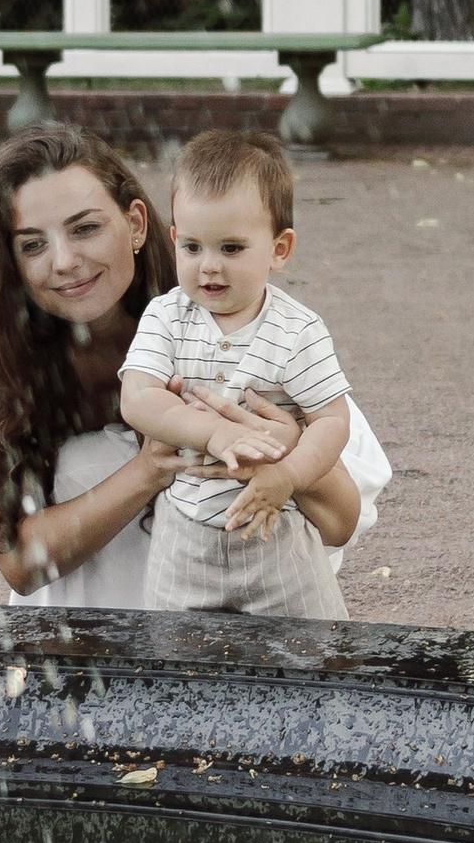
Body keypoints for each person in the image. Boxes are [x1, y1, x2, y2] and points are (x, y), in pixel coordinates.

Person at [0, 123, 385, 610]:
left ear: (138, 224)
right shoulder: (2, 363)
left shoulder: (239, 331)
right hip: (89, 637)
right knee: (89, 463)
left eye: (86, 228)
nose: (64, 261)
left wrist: (282, 450)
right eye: (33, 244)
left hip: (253, 603)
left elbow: (340, 524)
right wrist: (149, 469)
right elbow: (21, 566)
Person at [118, 125, 354, 623]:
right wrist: (216, 431)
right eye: (194, 248)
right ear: (174, 240)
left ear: (279, 249)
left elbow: (332, 421)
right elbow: (137, 396)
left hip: (276, 528)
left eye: (231, 249)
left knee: (310, 654)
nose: (209, 268)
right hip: (185, 533)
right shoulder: (166, 316)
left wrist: (288, 475)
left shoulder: (298, 330)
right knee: (175, 660)